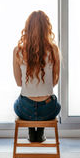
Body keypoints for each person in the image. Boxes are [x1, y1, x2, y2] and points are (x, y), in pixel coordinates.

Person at [13, 10, 61, 142]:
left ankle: (31, 130)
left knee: (18, 103)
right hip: (48, 110)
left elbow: (18, 83)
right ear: (47, 28)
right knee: (55, 102)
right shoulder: (54, 50)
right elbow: (55, 81)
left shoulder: (18, 51)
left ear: (27, 28)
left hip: (25, 109)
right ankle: (39, 132)